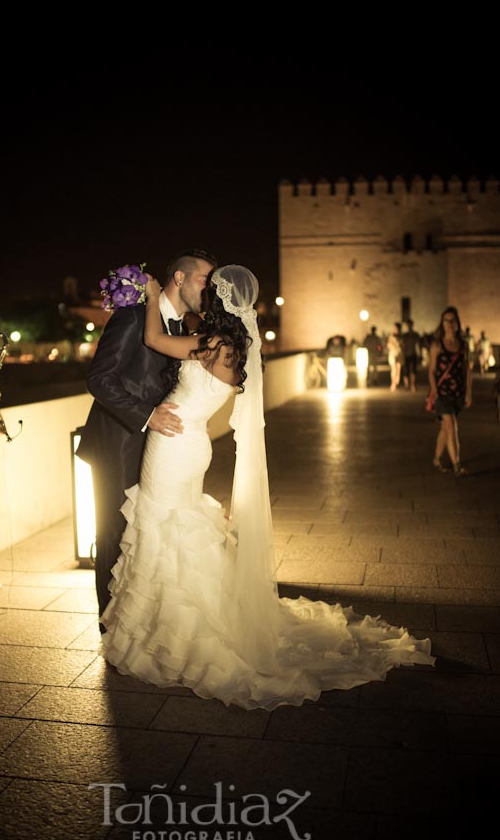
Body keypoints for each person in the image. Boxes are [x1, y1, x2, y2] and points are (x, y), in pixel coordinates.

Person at [99, 266, 434, 711]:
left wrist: (152, 294)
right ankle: (177, 622)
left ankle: (169, 633)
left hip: (174, 444)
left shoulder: (211, 343)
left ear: (220, 300)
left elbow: (155, 341)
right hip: (191, 441)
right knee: (175, 528)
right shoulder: (236, 348)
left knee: (163, 526)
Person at [77, 249, 217, 632]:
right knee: (114, 532)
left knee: (141, 531)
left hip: (157, 450)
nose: (209, 288)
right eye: (205, 280)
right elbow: (99, 379)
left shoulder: (179, 329)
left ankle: (135, 616)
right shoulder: (133, 316)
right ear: (180, 279)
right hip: (117, 443)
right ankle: (110, 622)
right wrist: (147, 415)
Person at [428, 306, 472, 476]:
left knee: (445, 429)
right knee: (451, 426)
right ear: (442, 323)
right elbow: (431, 371)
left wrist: (468, 392)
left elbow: (467, 371)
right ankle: (456, 465)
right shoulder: (437, 345)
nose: (449, 324)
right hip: (443, 393)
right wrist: (435, 391)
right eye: (446, 320)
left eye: (452, 320)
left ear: (457, 323)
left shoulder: (463, 345)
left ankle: (437, 459)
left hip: (458, 393)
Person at [401, 319, 421, 392]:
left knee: (413, 370)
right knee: (406, 370)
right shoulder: (405, 335)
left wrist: (419, 354)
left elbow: (418, 345)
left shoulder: (415, 335)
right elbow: (402, 346)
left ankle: (412, 385)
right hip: (406, 354)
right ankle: (407, 385)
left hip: (413, 354)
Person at [386, 322, 403, 391]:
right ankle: (393, 383)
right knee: (394, 369)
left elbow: (403, 345)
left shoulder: (401, 336)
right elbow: (389, 345)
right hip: (393, 354)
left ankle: (396, 382)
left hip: (399, 354)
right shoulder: (391, 336)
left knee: (398, 369)